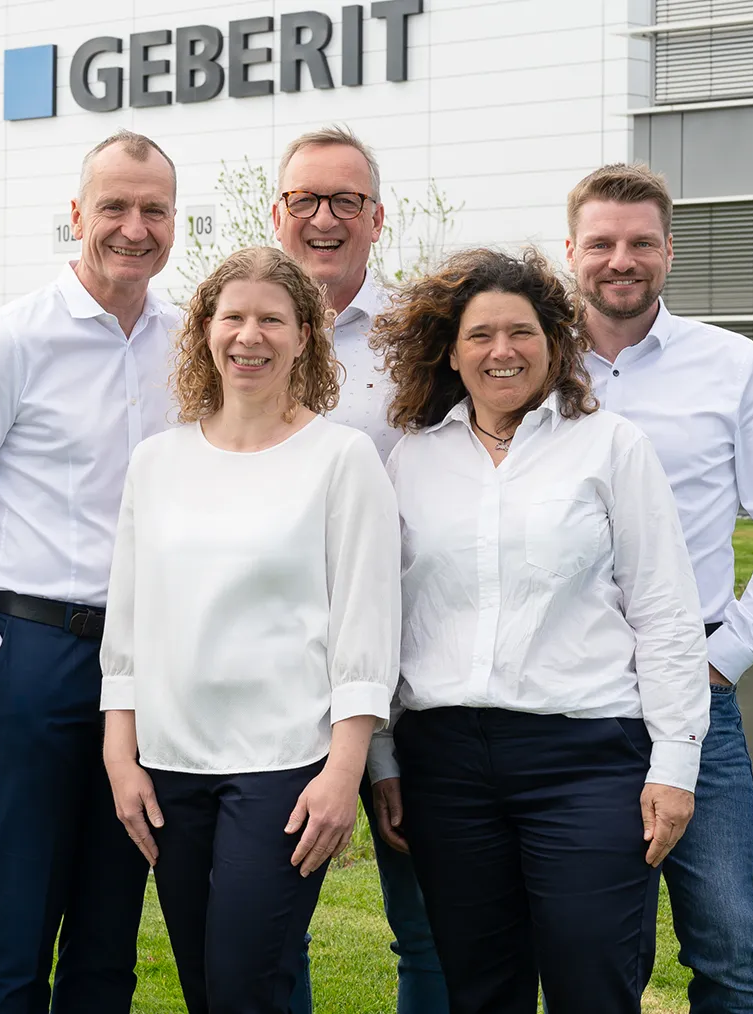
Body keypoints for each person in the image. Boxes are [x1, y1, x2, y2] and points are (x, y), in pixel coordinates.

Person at [371, 247, 710, 1014]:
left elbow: (663, 610)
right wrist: (384, 757)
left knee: (594, 978)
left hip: (585, 760)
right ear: (450, 352)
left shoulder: (611, 446)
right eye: (480, 334)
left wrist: (676, 764)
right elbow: (386, 620)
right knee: (480, 990)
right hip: (446, 764)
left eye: (521, 331)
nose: (502, 351)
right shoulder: (412, 461)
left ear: (555, 342)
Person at [0, 129, 180, 1014]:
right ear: (76, 216)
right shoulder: (11, 340)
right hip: (33, 652)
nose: (134, 228)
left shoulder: (194, 345)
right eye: (115, 207)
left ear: (174, 221)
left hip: (150, 662)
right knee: (22, 910)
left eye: (154, 210)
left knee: (113, 910)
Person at [564, 163, 753, 1014]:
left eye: (641, 242)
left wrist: (727, 657)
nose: (622, 259)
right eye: (602, 242)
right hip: (570, 697)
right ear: (569, 250)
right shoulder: (526, 364)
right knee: (595, 956)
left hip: (695, 687)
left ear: (669, 252)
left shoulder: (731, 365)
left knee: (726, 950)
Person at [101, 246, 400, 1014]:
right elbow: (129, 621)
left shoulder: (342, 458)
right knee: (207, 986)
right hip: (169, 762)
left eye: (273, 319)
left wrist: (344, 771)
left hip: (285, 766)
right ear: (205, 330)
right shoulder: (156, 461)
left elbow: (367, 625)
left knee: (245, 984)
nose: (250, 336)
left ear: (307, 335)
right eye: (233, 317)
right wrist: (120, 751)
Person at [271, 124, 442, 1014]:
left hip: (416, 674)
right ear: (278, 212)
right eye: (306, 199)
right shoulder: (242, 331)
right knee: (265, 931)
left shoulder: (425, 340)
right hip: (278, 673)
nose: (325, 218)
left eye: (346, 201)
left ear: (378, 218)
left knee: (430, 932)